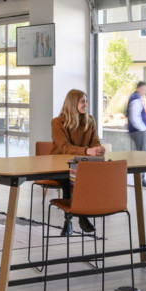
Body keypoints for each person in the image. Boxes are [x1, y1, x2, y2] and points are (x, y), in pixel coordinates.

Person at [51, 89, 105, 234]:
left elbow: (95, 141)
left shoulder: (90, 120)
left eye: (86, 101)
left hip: (81, 166)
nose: (86, 104)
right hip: (58, 168)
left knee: (82, 177)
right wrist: (88, 151)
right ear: (73, 103)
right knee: (70, 179)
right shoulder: (57, 123)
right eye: (83, 101)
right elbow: (64, 147)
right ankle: (79, 216)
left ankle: (71, 220)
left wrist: (97, 149)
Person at [125, 82, 146, 187]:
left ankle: (141, 179)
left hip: (137, 131)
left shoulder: (134, 97)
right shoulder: (136, 99)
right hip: (138, 131)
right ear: (140, 88)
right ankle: (141, 179)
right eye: (145, 89)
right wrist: (143, 128)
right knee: (142, 155)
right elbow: (134, 117)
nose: (145, 92)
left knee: (141, 154)